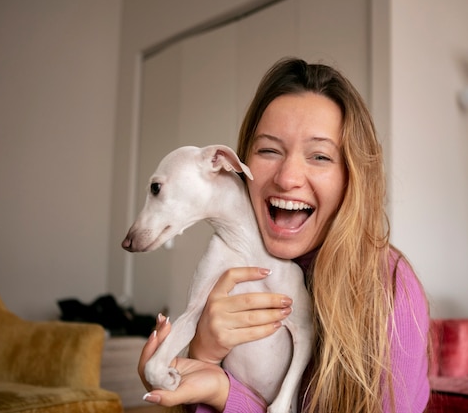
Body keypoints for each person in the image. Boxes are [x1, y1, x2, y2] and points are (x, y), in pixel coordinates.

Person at [138, 57, 430, 412]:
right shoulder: (236, 267)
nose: (287, 177)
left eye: (320, 156)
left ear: (353, 175)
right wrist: (204, 360)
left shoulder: (388, 288)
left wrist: (225, 394)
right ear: (239, 165)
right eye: (269, 150)